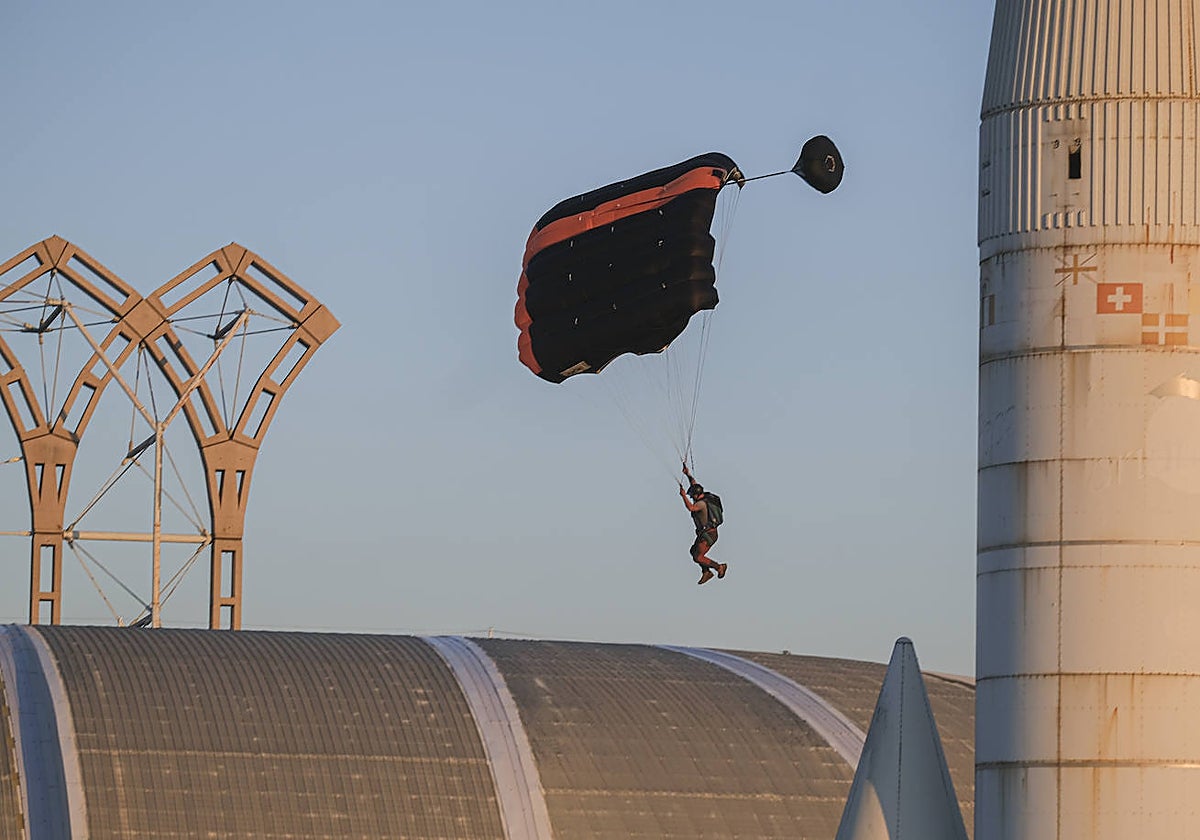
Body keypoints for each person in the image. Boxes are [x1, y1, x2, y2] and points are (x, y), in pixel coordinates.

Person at [679, 462, 727, 585]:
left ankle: (719, 567)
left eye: (692, 496)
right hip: (706, 533)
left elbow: (690, 508)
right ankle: (706, 572)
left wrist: (683, 496)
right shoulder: (704, 495)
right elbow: (694, 483)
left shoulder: (700, 504)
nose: (691, 498)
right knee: (693, 551)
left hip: (709, 534)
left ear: (696, 495)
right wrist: (687, 474)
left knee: (698, 557)